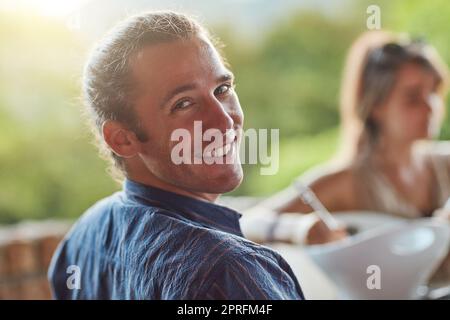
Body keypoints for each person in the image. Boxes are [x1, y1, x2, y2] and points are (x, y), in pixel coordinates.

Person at [48, 11, 305, 300]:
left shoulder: (82, 241)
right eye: (183, 104)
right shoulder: (229, 273)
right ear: (122, 138)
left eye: (222, 89)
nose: (223, 121)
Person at [241, 31, 449, 246]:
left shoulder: (446, 165)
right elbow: (248, 222)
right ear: (375, 105)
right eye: (412, 98)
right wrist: (298, 229)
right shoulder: (348, 181)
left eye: (433, 91)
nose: (431, 107)